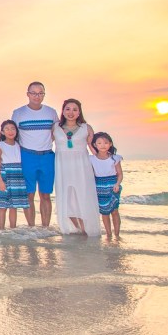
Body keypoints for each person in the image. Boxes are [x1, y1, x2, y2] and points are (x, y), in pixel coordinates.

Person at [52, 98, 101, 236]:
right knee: (66, 199)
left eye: (74, 109)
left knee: (83, 197)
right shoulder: (55, 127)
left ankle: (86, 230)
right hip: (62, 166)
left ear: (79, 112)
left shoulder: (86, 128)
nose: (71, 112)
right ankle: (77, 229)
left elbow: (94, 149)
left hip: (82, 167)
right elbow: (44, 143)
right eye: (67, 109)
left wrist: (108, 162)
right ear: (63, 111)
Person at [12, 82, 58, 227]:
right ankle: (32, 228)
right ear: (28, 94)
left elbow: (57, 132)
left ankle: (45, 228)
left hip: (47, 157)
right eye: (33, 93)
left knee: (45, 195)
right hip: (27, 156)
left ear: (44, 94)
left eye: (40, 93)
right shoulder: (18, 113)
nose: (37, 96)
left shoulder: (51, 112)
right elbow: (12, 135)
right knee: (29, 195)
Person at [0, 120, 29, 230]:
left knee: (14, 207)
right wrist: (0, 180)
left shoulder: (19, 145)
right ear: (3, 132)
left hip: (18, 177)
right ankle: (1, 230)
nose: (10, 131)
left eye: (13, 128)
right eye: (7, 129)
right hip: (5, 176)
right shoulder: (1, 145)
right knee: (3, 206)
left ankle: (13, 231)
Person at [90, 132, 123, 239]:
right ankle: (109, 235)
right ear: (95, 145)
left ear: (110, 144)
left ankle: (117, 235)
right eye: (99, 143)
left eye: (105, 143)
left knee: (114, 210)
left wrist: (117, 184)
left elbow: (120, 174)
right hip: (99, 187)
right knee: (104, 212)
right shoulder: (91, 159)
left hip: (113, 186)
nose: (103, 145)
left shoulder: (115, 158)